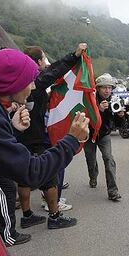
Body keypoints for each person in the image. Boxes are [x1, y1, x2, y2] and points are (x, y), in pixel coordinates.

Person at [0, 49, 89, 232]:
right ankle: (51, 217)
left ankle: (26, 216)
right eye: (29, 80)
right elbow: (33, 172)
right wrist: (72, 140)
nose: (33, 86)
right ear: (13, 84)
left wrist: (12, 128)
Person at [16, 44, 85, 232]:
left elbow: (52, 69)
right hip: (36, 137)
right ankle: (54, 217)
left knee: (23, 177)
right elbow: (54, 72)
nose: (45, 63)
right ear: (38, 62)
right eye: (43, 60)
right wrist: (74, 55)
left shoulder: (17, 82)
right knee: (50, 175)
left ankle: (27, 215)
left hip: (19, 136)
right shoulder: (36, 83)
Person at [83, 73, 122, 202]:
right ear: (98, 88)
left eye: (110, 88)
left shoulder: (114, 99)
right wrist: (98, 110)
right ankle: (93, 177)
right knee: (91, 159)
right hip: (89, 134)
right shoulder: (90, 99)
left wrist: (120, 116)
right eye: (104, 87)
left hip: (104, 134)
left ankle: (113, 191)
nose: (107, 91)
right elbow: (85, 117)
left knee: (109, 158)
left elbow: (118, 125)